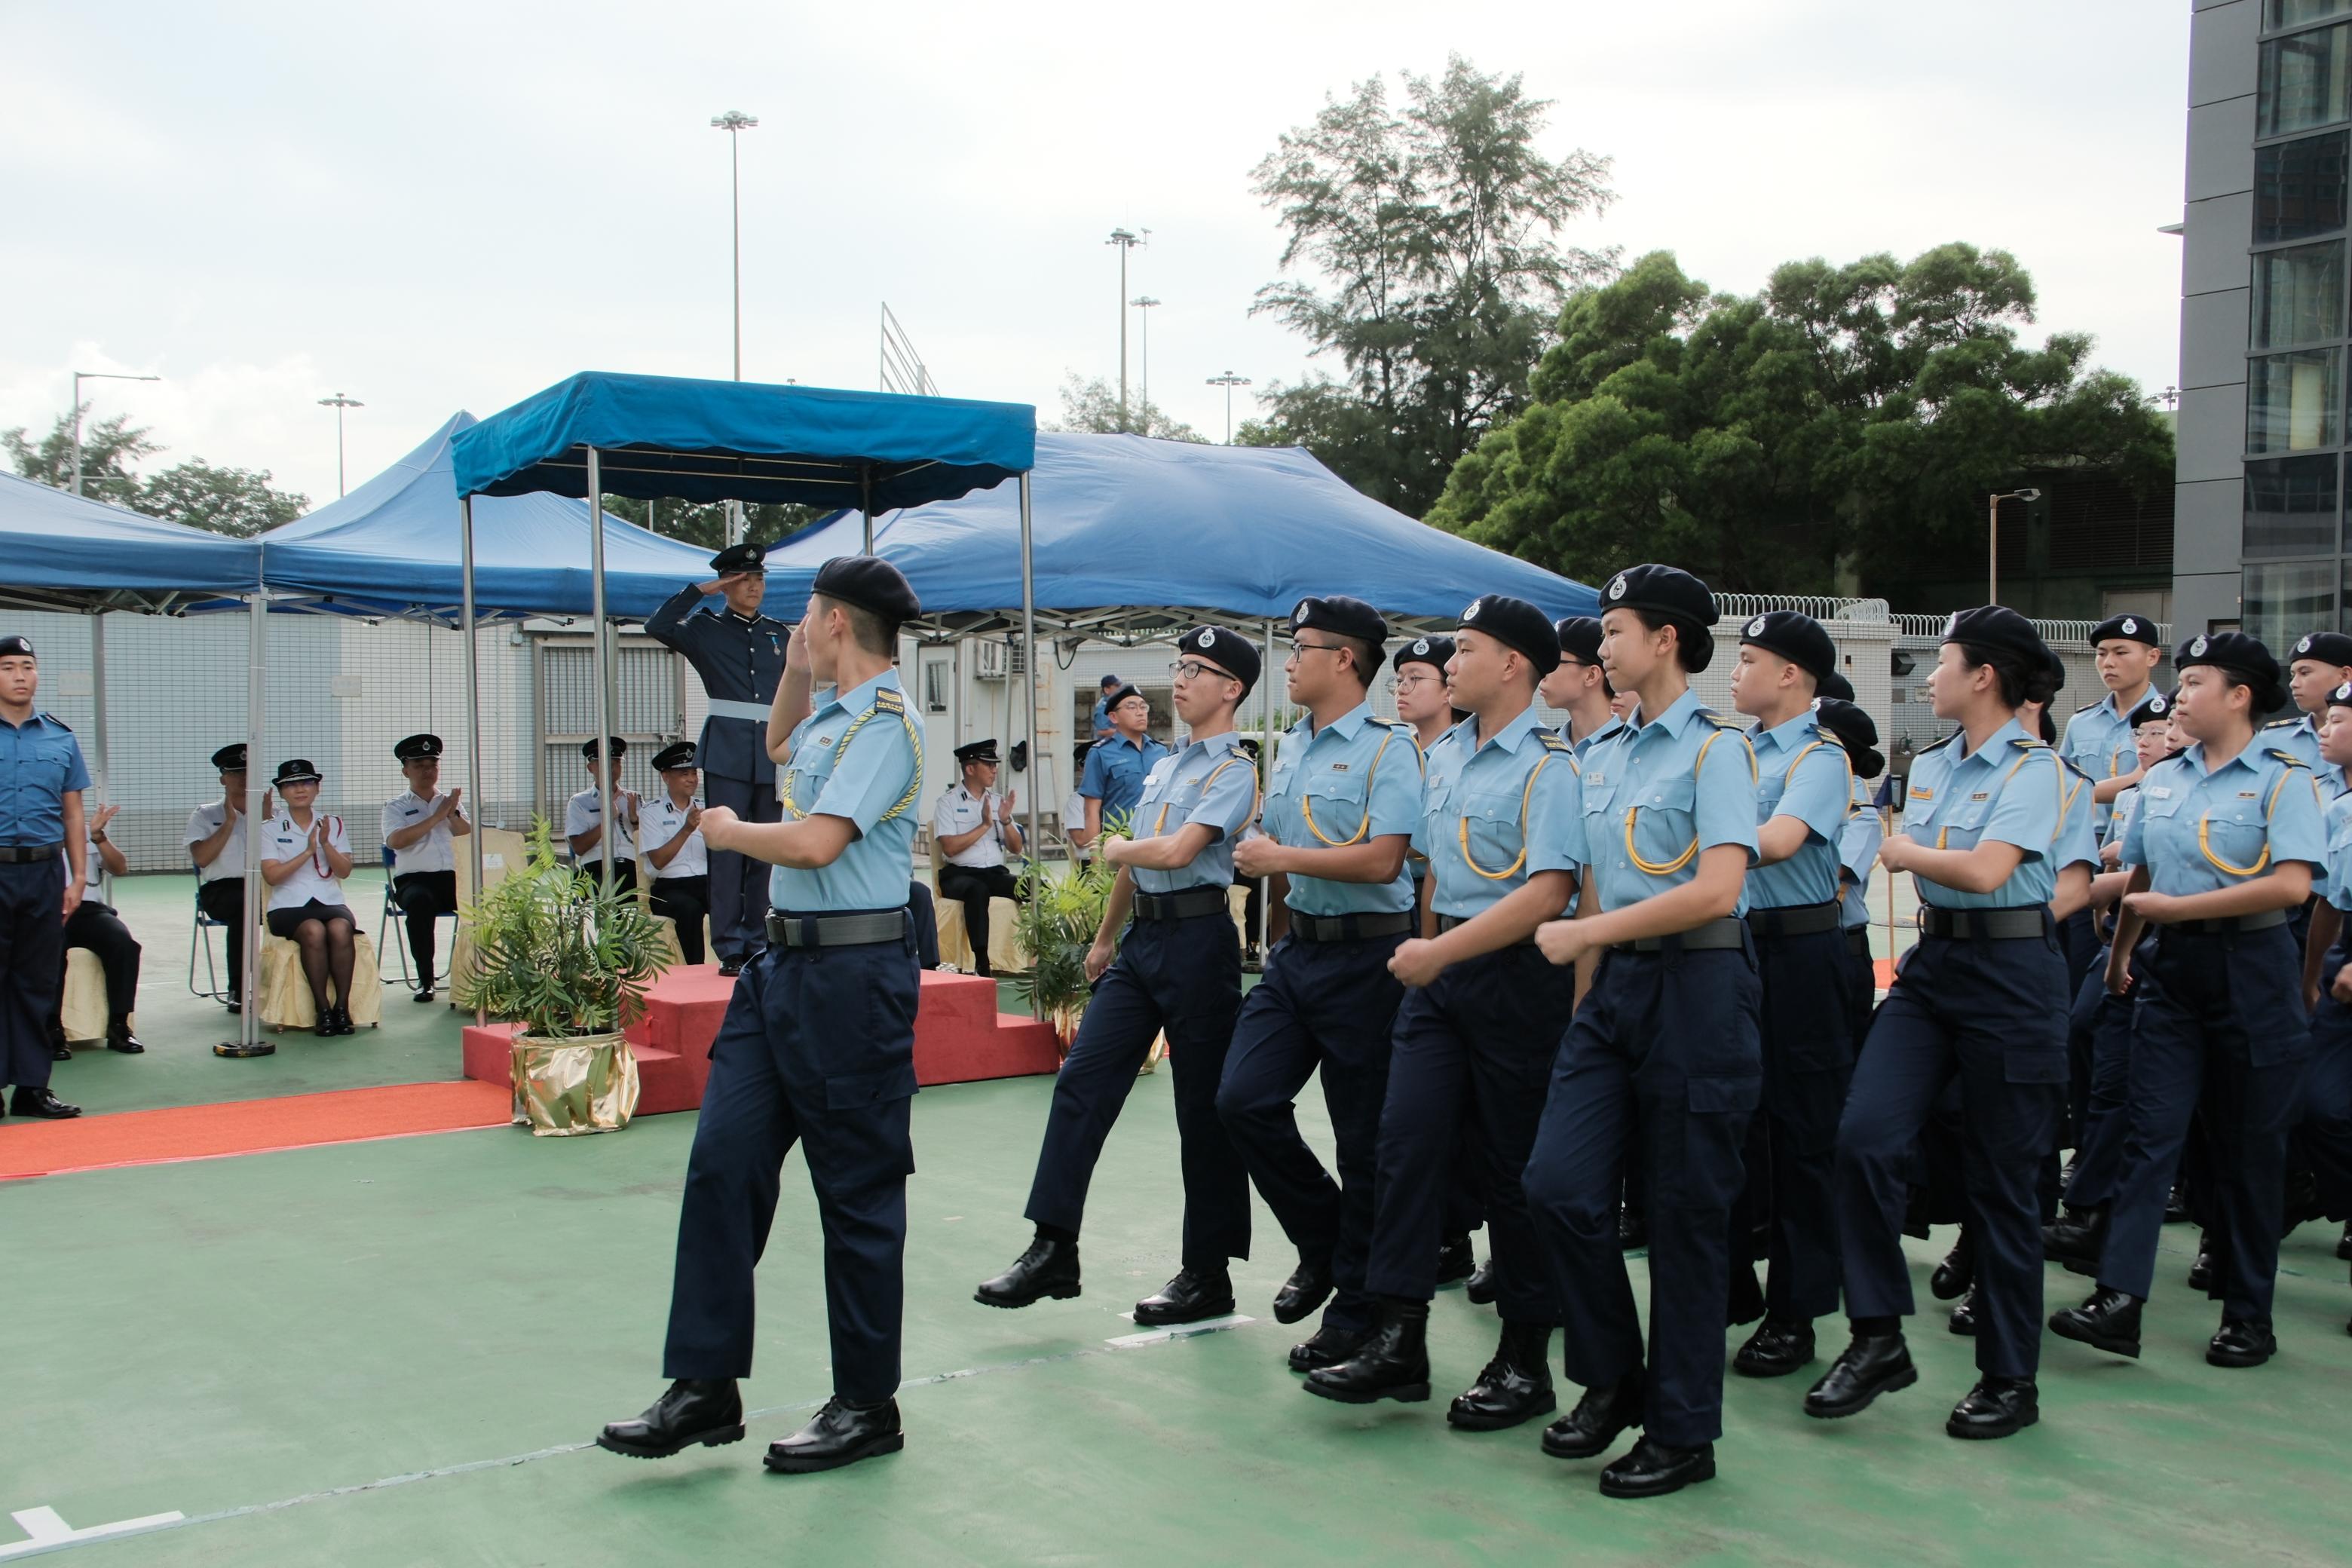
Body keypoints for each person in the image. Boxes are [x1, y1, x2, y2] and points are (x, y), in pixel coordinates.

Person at [599, 555, 926, 1476]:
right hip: (779, 969)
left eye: (808, 619)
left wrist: (731, 832)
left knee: (856, 1193)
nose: (800, 630)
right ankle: (705, 1385)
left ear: (837, 622)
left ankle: (867, 1402)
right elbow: (781, 745)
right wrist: (790, 670)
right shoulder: (830, 711)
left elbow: (819, 842)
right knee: (722, 1164)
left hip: (853, 979)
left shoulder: (889, 725)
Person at [1305, 595, 1580, 1436]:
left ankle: (1526, 1358)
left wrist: (1439, 954)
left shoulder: (1551, 765)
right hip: (1443, 976)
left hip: (1514, 976)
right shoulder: (1446, 754)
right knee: (1405, 1143)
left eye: (1464, 651)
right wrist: (1427, 952)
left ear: (1513, 666)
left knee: (1512, 1167)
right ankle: (1399, 1338)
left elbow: (1549, 890)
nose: (1448, 664)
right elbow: (1433, 870)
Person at [1517, 565, 1759, 1500]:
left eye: (1614, 630)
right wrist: (1590, 975)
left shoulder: (1716, 752)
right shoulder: (1603, 752)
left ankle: (1684, 1429)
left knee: (1686, 1218)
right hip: (1615, 992)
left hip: (1698, 986)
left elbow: (1717, 888)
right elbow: (1592, 881)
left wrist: (1587, 936)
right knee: (1557, 1186)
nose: (1600, 645)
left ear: (1666, 640)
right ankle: (1616, 1374)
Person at [1802, 606, 2068, 1442]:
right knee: (1864, 1137)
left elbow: (1989, 870)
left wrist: (1907, 853)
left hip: (2014, 975)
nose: (1926, 678)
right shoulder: (1934, 767)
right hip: (1935, 969)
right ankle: (1878, 1333)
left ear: (1984, 674)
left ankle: (2009, 1378)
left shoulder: (2035, 771)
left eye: (1941, 661)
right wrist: (1911, 850)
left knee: (2003, 1182)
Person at [2045, 633, 2323, 1371]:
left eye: (2197, 681)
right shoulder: (2164, 781)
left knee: (2247, 1151)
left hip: (2253, 971)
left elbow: (2295, 885)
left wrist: (2169, 910)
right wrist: (2124, 956)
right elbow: (2140, 877)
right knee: (2149, 1134)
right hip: (2169, 976)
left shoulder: (2284, 780)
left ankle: (2247, 1314)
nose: (2183, 693)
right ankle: (2120, 1301)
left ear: (2239, 696)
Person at [977, 627, 1263, 1325]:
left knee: (1201, 1110)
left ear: (1233, 689)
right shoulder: (1165, 767)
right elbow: (1137, 865)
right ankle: (1054, 1247)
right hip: (1143, 943)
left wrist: (1115, 845)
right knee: (1081, 1081)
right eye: (1180, 666)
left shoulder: (1236, 770)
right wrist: (1106, 939)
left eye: (1198, 669)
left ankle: (1207, 1273)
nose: (1182, 678)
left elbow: (1173, 849)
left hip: (1199, 941)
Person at [1216, 596, 1419, 1373]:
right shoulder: (1290, 745)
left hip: (1369, 959)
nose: (1289, 661)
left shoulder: (1388, 749)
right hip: (1299, 952)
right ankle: (1327, 1242)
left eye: (1302, 648)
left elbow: (1382, 861)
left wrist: (1280, 860)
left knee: (1362, 1139)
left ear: (1346, 660)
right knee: (1242, 1099)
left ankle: (1358, 1307)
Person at [1711, 610, 1856, 1379]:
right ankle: (1732, 1278)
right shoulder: (1735, 748)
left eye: (1749, 660)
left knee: (1802, 1132)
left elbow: (1782, 841)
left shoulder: (1822, 756)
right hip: (1736, 943)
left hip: (1801, 949)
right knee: (1731, 1119)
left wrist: (1701, 842)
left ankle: (1796, 1309)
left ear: (1792, 675)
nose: (1736, 673)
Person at [2044, 690, 2176, 1270]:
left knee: (2159, 1099)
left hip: (2207, 942)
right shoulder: (2153, 791)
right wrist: (2115, 941)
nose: (2152, 741)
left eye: (2164, 732)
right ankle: (2091, 1214)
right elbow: (2133, 870)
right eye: (2147, 734)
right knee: (2093, 1043)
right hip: (2132, 939)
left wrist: (2100, 895)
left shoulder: (2268, 782)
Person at [646, 542, 792, 975]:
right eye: (744, 579)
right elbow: (659, 624)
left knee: (765, 851)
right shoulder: (705, 628)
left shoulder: (779, 634)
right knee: (727, 850)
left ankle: (760, 939)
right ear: (727, 584)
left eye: (759, 578)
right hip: (727, 751)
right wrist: (701, 591)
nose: (754, 587)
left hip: (772, 751)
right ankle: (730, 947)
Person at [0, 635, 88, 1120]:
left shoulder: (60, 737)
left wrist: (77, 879)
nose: (19, 675)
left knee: (38, 980)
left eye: (27, 666)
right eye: (8, 666)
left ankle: (32, 1087)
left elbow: (73, 814)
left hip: (43, 872)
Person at [2296, 680, 2352, 1320]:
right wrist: (2310, 977)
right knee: (2317, 1105)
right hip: (2338, 965)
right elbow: (2329, 903)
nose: (2323, 730)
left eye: (2338, 719)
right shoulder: (2336, 806)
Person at [259, 758, 359, 1039]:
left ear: (317, 788)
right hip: (288, 906)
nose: (299, 789)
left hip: (329, 901)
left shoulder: (334, 825)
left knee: (340, 928)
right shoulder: (269, 829)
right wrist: (307, 851)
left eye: (306, 782)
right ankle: (322, 1008)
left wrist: (326, 844)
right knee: (314, 930)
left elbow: (345, 871)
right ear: (281, 792)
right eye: (291, 784)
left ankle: (342, 1007)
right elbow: (272, 877)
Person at [1815, 699, 1887, 1047]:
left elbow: (1832, 872)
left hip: (1842, 948)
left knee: (1837, 1056)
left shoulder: (1862, 815)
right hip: (1804, 945)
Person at [381, 732, 468, 1003]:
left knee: (485, 899)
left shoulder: (449, 803)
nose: (427, 771)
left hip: (453, 878)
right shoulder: (395, 806)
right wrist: (435, 817)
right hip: (415, 880)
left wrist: (451, 813)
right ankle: (425, 979)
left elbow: (469, 837)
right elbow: (396, 841)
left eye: (433, 765)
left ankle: (473, 975)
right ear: (406, 770)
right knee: (419, 903)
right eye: (419, 766)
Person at [50, 804, 142, 1054]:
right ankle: (52, 1029)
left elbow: (120, 868)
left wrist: (99, 837)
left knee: (124, 944)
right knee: (51, 950)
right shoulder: (33, 831)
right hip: (47, 909)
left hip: (89, 908)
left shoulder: (88, 831)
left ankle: (119, 1025)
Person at [932, 739, 1024, 978]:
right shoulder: (948, 803)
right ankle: (982, 963)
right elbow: (950, 848)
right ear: (970, 768)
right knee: (977, 890)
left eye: (995, 765)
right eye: (989, 765)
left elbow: (1016, 848)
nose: (995, 770)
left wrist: (1004, 821)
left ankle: (1044, 953)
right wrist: (985, 825)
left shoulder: (996, 801)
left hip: (993, 872)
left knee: (1034, 887)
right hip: (959, 875)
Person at [186, 743, 268, 1015]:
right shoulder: (205, 815)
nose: (244, 777)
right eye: (236, 772)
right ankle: (239, 988)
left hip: (265, 885)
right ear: (223, 778)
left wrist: (267, 823)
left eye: (248, 771)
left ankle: (283, 985)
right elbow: (201, 858)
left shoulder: (272, 813)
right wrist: (230, 822)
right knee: (245, 909)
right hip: (222, 890)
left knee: (295, 908)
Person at [639, 741, 712, 967]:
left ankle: (737, 962)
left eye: (694, 773)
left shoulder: (706, 808)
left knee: (737, 902)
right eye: (684, 774)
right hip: (670, 886)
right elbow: (658, 860)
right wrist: (687, 829)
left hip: (707, 881)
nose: (692, 779)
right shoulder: (651, 813)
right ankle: (694, 971)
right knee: (688, 910)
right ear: (666, 777)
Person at [1073, 684, 1168, 848]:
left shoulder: (1161, 752)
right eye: (1131, 707)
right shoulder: (1100, 754)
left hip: (1157, 842)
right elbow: (1091, 811)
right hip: (1120, 845)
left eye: (1143, 707)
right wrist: (1098, 865)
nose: (1140, 712)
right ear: (1114, 717)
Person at [1540, 615, 1627, 759]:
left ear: (1591, 675)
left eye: (1554, 663)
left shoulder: (1630, 749)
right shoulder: (1543, 750)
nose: (1543, 673)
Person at [567, 737, 640, 895]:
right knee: (611, 890)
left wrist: (635, 821)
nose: (611, 768)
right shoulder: (580, 802)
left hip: (632, 863)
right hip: (597, 866)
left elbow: (649, 839)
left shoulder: (633, 798)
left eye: (616, 763)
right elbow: (579, 847)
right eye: (605, 763)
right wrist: (607, 820)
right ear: (590, 767)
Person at [1091, 673, 1122, 741]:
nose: (1120, 688)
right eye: (1117, 686)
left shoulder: (1114, 704)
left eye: (1121, 685)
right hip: (1105, 748)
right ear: (1107, 690)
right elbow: (1102, 731)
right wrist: (1126, 732)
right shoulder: (1103, 707)